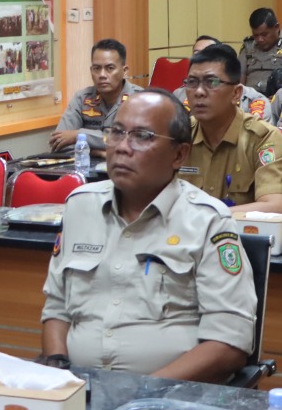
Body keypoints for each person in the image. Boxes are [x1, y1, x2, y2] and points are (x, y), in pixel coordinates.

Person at [39, 91, 256, 381]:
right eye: (116, 133)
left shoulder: (208, 221)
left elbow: (229, 344)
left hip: (169, 401)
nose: (122, 147)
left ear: (179, 154)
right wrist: (57, 368)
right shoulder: (80, 205)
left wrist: (142, 392)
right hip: (80, 389)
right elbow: (57, 307)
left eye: (142, 136)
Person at [180, 44, 282, 214]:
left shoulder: (262, 137)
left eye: (212, 82)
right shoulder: (180, 135)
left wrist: (206, 217)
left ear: (236, 94)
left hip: (241, 238)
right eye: (192, 82)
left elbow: (277, 207)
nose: (199, 92)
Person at [51, 38, 142, 153]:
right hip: (83, 167)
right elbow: (59, 142)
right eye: (96, 68)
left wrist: (79, 135)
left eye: (110, 68)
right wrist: (98, 152)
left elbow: (132, 142)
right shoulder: (81, 99)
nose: (102, 75)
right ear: (91, 70)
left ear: (125, 71)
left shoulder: (140, 99)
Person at [239, 7, 282, 95]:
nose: (260, 39)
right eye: (256, 35)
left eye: (264, 34)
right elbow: (239, 80)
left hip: (277, 100)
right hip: (249, 99)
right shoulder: (248, 47)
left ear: (277, 28)